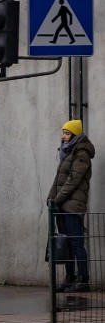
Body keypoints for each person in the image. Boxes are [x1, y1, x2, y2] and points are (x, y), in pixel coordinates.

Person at [48, 119, 95, 292]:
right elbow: (58, 180)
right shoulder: (67, 153)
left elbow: (73, 180)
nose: (64, 136)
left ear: (75, 135)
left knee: (76, 242)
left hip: (73, 205)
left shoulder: (81, 153)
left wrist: (57, 199)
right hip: (62, 204)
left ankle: (83, 279)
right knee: (66, 242)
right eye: (63, 133)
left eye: (67, 133)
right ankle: (70, 277)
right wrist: (51, 197)